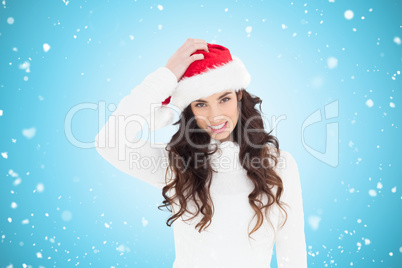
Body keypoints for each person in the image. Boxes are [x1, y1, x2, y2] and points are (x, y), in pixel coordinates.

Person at [94, 38, 307, 267]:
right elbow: (109, 142)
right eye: (201, 104)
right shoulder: (177, 164)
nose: (215, 116)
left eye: (224, 99)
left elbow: (292, 249)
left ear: (239, 96)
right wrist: (166, 77)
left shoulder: (278, 164)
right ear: (190, 110)